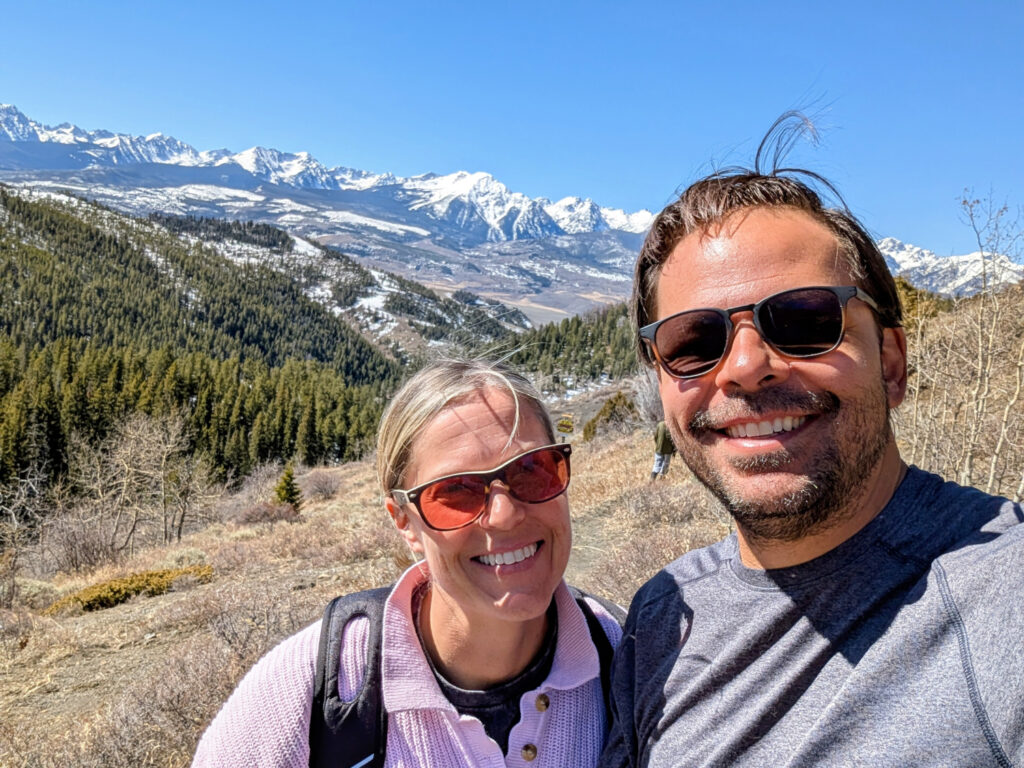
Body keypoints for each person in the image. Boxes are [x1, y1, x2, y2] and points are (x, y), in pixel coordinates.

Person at [599, 120, 1024, 767]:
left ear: (890, 362)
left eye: (804, 320)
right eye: (693, 343)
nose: (744, 366)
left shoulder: (1002, 594)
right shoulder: (662, 617)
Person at [193, 358, 623, 767]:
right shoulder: (310, 690)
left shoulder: (628, 660)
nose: (505, 514)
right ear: (404, 522)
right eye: (456, 492)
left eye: (532, 468)